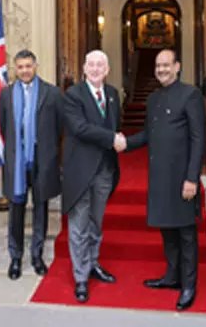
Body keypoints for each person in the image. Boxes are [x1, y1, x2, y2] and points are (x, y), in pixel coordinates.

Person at [125, 49, 206, 311]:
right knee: (167, 231)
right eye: (158, 66)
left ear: (177, 66)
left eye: (166, 65)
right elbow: (147, 134)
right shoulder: (153, 99)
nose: (161, 70)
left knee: (186, 233)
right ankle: (172, 277)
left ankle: (189, 285)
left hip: (182, 179)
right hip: (159, 178)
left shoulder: (191, 94)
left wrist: (192, 178)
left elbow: (198, 139)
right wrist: (123, 142)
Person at [62, 50, 122, 303]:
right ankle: (81, 278)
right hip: (80, 171)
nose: (96, 69)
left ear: (107, 70)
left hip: (104, 170)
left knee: (96, 223)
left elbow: (114, 125)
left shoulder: (112, 95)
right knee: (78, 227)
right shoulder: (73, 95)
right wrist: (112, 139)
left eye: (101, 65)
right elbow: (80, 128)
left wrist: (115, 139)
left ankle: (93, 263)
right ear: (84, 69)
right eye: (91, 65)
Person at [0, 49, 63, 280]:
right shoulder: (5, 95)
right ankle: (15, 257)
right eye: (21, 67)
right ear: (16, 69)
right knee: (16, 209)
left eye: (28, 66)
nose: (25, 70)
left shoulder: (52, 93)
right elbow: (5, 127)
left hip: (41, 158)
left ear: (36, 66)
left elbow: (58, 129)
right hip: (16, 162)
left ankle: (37, 256)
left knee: (40, 208)